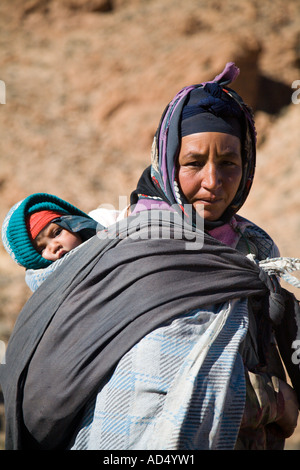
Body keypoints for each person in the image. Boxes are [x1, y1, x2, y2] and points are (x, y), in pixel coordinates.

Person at [0, 62, 299, 451]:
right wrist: (268, 400)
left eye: (229, 163)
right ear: (167, 160)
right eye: (193, 163)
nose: (212, 182)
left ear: (247, 166)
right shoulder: (130, 250)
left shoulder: (255, 252)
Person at [2, 192, 127, 291]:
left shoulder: (105, 222)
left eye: (57, 233)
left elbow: (131, 219)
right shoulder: (48, 287)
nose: (54, 246)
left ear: (72, 222)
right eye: (41, 249)